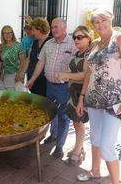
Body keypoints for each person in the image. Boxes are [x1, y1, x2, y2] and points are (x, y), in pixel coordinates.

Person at [76, 9, 121, 184]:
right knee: (95, 138)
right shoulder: (94, 43)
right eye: (95, 21)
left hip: (114, 102)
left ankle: (115, 182)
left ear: (111, 18)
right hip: (94, 100)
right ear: (92, 25)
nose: (100, 24)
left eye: (103, 19)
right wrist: (81, 98)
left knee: (107, 146)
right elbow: (89, 74)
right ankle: (95, 171)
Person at [27, 18, 77, 159]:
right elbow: (40, 64)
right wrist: (31, 79)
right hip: (50, 86)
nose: (53, 29)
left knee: (63, 116)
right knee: (50, 114)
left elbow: (81, 64)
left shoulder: (73, 44)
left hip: (65, 87)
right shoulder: (48, 44)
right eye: (52, 27)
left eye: (56, 27)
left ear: (64, 27)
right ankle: (53, 135)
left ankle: (59, 146)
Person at [57, 26, 92, 166]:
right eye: (74, 37)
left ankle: (77, 152)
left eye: (80, 37)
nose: (76, 40)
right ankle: (80, 147)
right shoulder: (78, 53)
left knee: (79, 122)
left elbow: (85, 75)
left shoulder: (89, 54)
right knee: (76, 122)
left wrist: (66, 75)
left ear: (88, 38)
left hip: (82, 94)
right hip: (73, 93)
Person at [25, 18, 52, 96]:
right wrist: (23, 73)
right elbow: (29, 59)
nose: (32, 33)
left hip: (43, 81)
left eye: (33, 30)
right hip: (32, 78)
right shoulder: (35, 42)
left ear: (39, 29)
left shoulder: (50, 42)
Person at [0, 25, 25, 90]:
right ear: (2, 35)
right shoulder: (1, 46)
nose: (7, 35)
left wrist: (19, 74)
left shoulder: (18, 45)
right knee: (6, 98)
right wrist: (1, 73)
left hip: (16, 75)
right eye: (5, 33)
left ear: (12, 33)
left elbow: (23, 61)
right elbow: (0, 62)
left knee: (17, 98)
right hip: (5, 75)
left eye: (9, 32)